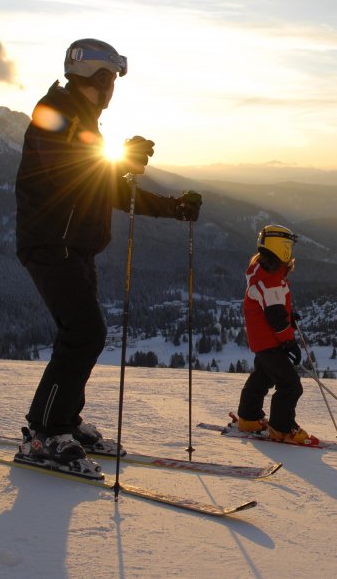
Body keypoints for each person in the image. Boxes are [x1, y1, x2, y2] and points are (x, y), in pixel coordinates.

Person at [14, 38, 202, 464]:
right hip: (52, 244)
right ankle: (44, 431)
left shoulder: (80, 119)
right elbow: (73, 170)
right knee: (85, 334)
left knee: (80, 335)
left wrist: (173, 209)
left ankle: (64, 417)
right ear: (96, 78)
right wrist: (122, 160)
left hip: (74, 247)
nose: (113, 87)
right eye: (111, 78)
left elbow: (108, 186)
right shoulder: (54, 114)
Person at [235, 224, 318, 445]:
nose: (290, 252)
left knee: (264, 375)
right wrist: (289, 342)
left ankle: (249, 417)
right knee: (290, 385)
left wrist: (287, 314)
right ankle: (282, 427)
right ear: (280, 248)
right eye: (288, 246)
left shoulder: (261, 270)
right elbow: (275, 317)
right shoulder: (270, 280)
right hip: (270, 341)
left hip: (262, 340)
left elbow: (272, 307)